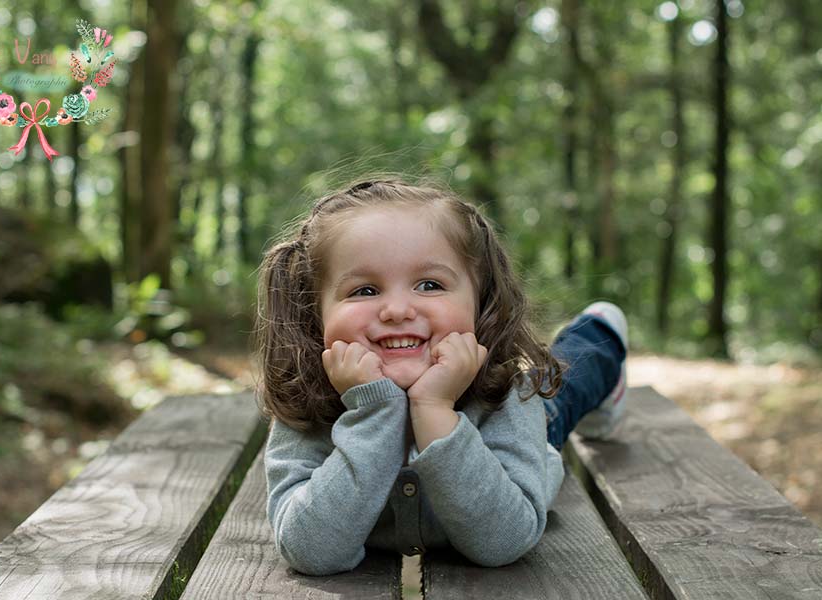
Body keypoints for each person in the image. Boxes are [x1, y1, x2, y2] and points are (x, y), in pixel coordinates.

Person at [252, 178, 628, 576]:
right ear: (317, 312)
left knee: (557, 394)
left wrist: (434, 409)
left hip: (515, 439)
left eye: (429, 285)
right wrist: (375, 413)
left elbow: (506, 540)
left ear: (481, 302)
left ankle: (600, 333)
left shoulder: (508, 398)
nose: (396, 309)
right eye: (364, 290)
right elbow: (309, 551)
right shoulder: (305, 406)